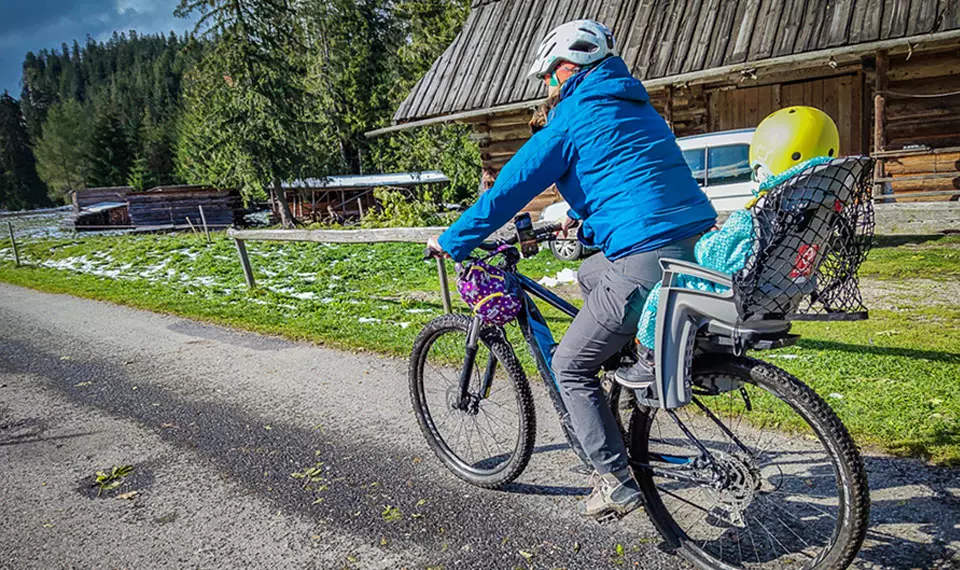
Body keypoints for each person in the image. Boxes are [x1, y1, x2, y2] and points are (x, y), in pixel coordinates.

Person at [425, 19, 717, 519]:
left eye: (546, 78)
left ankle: (614, 479)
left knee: (569, 367)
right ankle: (627, 364)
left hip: (644, 257)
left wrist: (453, 241)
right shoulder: (636, 106)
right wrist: (584, 231)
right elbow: (630, 183)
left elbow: (506, 192)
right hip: (696, 246)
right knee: (588, 274)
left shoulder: (570, 118)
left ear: (565, 69)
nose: (545, 88)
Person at [616, 106, 842, 386]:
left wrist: (709, 237)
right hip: (784, 295)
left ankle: (649, 359)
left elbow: (711, 256)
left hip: (739, 295)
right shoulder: (821, 208)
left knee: (664, 290)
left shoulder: (760, 211)